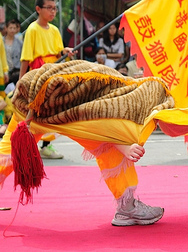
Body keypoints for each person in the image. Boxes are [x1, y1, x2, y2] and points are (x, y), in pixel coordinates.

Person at [0, 61, 166, 226]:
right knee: (110, 149)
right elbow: (100, 121)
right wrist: (124, 146)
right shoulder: (123, 100)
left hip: (30, 98)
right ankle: (127, 208)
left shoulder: (119, 87)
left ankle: (127, 207)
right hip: (44, 101)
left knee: (6, 155)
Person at [19, 0, 74, 160]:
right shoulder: (32, 29)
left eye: (54, 8)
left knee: (51, 111)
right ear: (38, 9)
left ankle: (45, 146)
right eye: (49, 8)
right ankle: (28, 145)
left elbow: (59, 53)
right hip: (38, 74)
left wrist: (66, 52)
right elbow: (26, 57)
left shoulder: (55, 30)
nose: (53, 11)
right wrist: (21, 81)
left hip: (53, 74)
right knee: (35, 112)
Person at [4, 19, 23, 85]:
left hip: (16, 72)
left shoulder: (20, 43)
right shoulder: (2, 41)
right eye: (10, 28)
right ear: (6, 28)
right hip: (5, 70)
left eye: (14, 28)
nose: (12, 30)